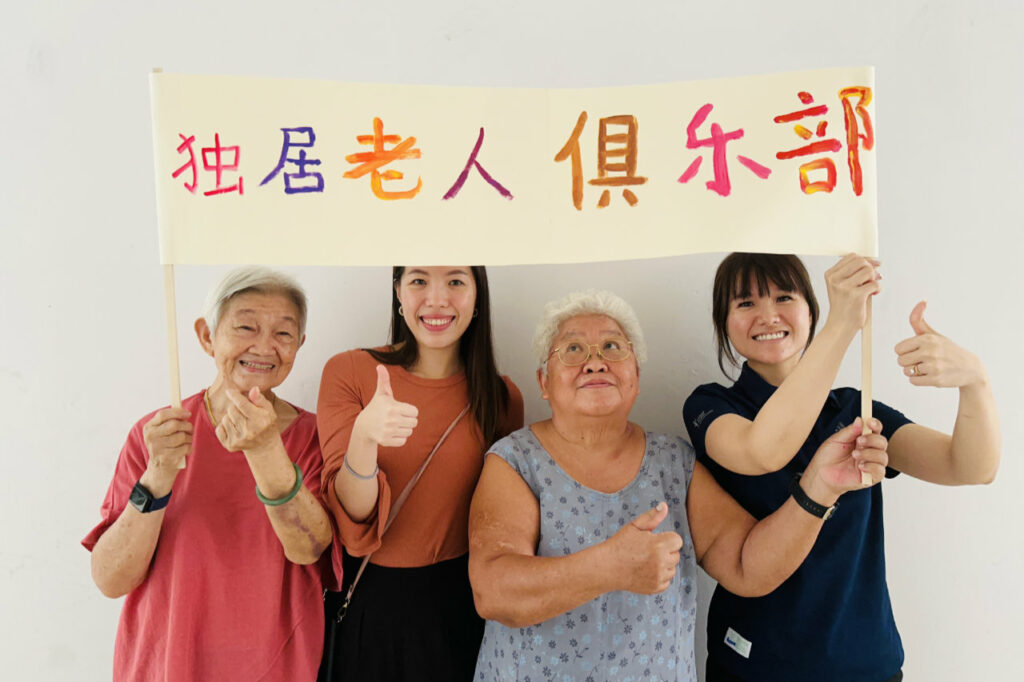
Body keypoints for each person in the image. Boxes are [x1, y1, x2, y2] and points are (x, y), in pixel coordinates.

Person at [469, 290, 889, 682]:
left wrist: (818, 487)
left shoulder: (673, 462)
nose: (595, 362)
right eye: (573, 349)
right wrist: (609, 567)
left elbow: (748, 566)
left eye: (613, 347)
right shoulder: (515, 459)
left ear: (635, 374)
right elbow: (493, 592)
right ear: (543, 382)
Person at [683, 252, 1001, 682]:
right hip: (756, 665)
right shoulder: (711, 406)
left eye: (783, 297)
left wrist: (975, 382)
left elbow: (967, 466)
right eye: (745, 303)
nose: (768, 315)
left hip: (864, 662)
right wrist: (843, 323)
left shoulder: (856, 407)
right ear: (723, 322)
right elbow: (762, 451)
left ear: (810, 312)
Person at [83, 267, 333, 681]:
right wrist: (158, 475)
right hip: (164, 666)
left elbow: (309, 550)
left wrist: (265, 449)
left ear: (299, 346)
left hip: (274, 668)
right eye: (246, 327)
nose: (264, 346)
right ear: (206, 336)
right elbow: (111, 579)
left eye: (284, 334)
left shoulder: (316, 438)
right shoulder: (160, 435)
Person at [317, 266, 524, 681]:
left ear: (477, 296)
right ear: (397, 291)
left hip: (461, 603)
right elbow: (353, 518)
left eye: (455, 281)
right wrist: (365, 438)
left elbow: (503, 521)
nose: (436, 299)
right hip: (369, 601)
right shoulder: (351, 372)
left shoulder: (501, 397)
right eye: (418, 281)